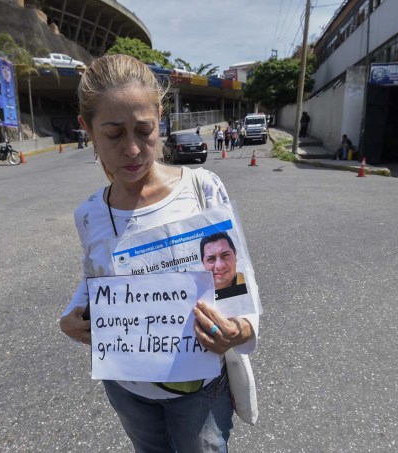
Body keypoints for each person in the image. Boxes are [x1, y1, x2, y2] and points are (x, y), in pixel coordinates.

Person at [59, 54, 259, 452]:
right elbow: (95, 276)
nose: (132, 149)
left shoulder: (203, 189)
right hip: (128, 389)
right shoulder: (89, 214)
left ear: (160, 118)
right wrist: (71, 316)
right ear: (87, 129)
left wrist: (242, 330)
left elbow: (235, 278)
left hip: (199, 390)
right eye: (114, 134)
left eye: (144, 130)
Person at [200, 231, 248, 300]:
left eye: (225, 255)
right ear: (203, 263)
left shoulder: (249, 284)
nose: (220, 266)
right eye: (211, 259)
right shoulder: (198, 296)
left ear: (235, 254)